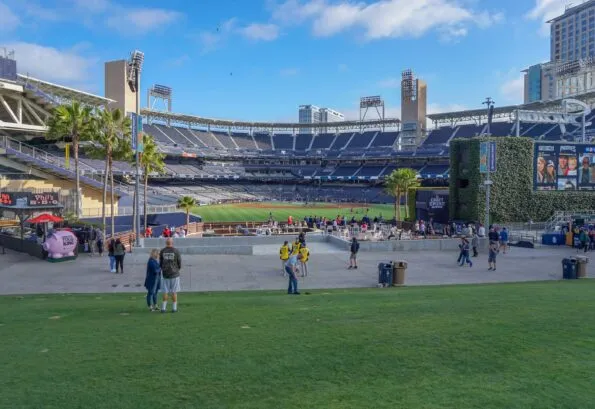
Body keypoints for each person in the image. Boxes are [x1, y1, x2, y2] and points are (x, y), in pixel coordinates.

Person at [160, 238, 182, 313]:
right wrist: (177, 268)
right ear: (172, 243)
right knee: (174, 292)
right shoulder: (176, 251)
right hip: (174, 274)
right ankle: (174, 308)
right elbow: (179, 262)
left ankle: (163, 308)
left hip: (165, 274)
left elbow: (160, 262)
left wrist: (163, 269)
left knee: (165, 292)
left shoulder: (162, 251)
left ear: (166, 243)